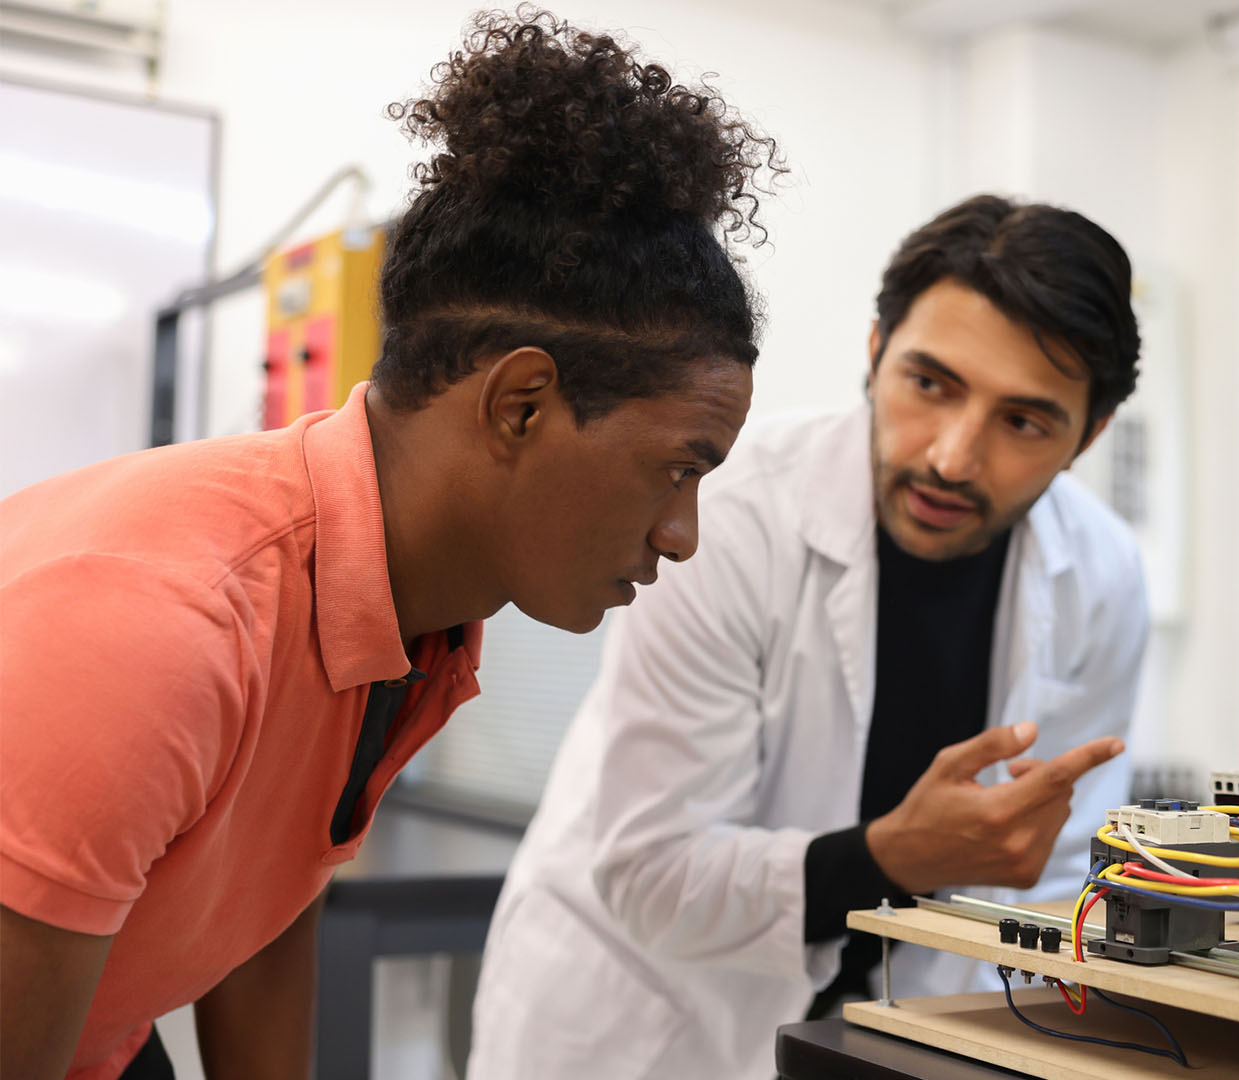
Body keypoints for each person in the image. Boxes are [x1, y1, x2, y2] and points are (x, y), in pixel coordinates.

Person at [0, 12, 779, 1079]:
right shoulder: (159, 628)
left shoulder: (414, 616)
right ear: (520, 405)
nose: (681, 536)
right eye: (679, 467)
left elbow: (265, 895)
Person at [468, 194, 1149, 1078]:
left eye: (1022, 421)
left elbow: (1061, 885)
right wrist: (890, 857)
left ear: (1087, 435)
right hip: (641, 1026)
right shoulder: (729, 516)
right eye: (929, 384)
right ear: (874, 355)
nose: (951, 456)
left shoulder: (1101, 574)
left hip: (899, 1037)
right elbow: (651, 874)